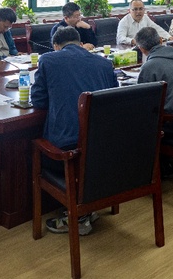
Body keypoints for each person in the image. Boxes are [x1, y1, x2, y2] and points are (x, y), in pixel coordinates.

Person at [30, 26, 116, 236]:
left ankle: (78, 216)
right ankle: (87, 208)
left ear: (55, 46)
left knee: (33, 146)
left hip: (67, 151)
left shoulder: (48, 60)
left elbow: (39, 100)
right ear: (80, 43)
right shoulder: (105, 63)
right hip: (103, 148)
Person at [134, 27, 173, 134]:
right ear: (161, 40)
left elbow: (143, 104)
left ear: (141, 49)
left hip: (170, 124)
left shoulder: (149, 67)